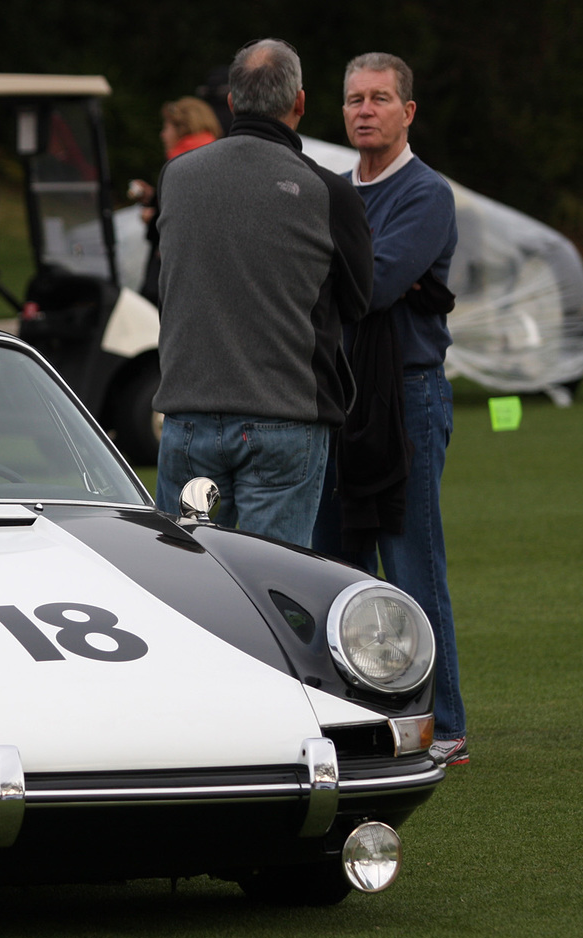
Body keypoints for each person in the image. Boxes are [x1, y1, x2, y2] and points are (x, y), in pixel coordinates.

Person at [151, 38, 372, 547]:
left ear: (230, 101)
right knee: (272, 593)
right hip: (285, 417)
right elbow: (360, 301)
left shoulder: (176, 177)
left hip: (187, 417)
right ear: (299, 102)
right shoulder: (329, 194)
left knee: (187, 589)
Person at [311, 53, 468, 766]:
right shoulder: (333, 190)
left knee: (410, 561)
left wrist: (348, 274)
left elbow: (368, 287)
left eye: (379, 98)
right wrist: (352, 274)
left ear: (408, 112)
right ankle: (354, 719)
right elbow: (331, 280)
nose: (364, 109)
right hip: (340, 394)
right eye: (353, 99)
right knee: (333, 565)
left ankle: (446, 724)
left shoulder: (426, 193)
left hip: (407, 393)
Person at [130, 96, 222, 306]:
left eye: (167, 128)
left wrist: (152, 218)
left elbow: (176, 219)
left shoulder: (179, 164)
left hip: (175, 272)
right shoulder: (217, 155)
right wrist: (153, 197)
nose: (163, 135)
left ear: (182, 128)